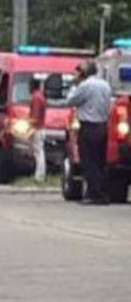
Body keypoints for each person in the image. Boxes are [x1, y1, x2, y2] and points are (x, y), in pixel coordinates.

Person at [66, 60, 113, 203]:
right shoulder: (105, 85)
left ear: (83, 73)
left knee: (89, 161)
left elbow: (71, 101)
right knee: (99, 161)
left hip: (88, 127)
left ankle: (93, 194)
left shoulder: (85, 86)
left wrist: (74, 85)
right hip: (103, 126)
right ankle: (102, 193)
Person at [28, 74, 48, 184]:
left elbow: (35, 115)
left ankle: (39, 175)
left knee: (38, 152)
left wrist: (29, 124)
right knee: (38, 152)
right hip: (40, 127)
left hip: (37, 128)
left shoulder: (36, 97)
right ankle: (39, 174)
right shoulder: (41, 96)